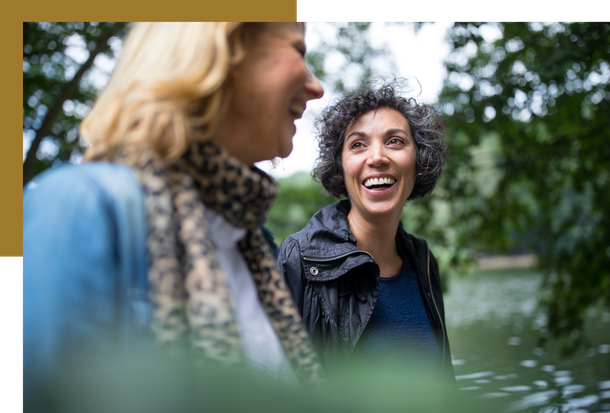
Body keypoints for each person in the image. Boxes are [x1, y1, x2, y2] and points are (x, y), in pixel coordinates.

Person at [22, 22, 325, 410]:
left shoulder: (254, 245)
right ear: (227, 48)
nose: (317, 87)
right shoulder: (82, 205)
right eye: (298, 50)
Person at [276, 81, 455, 382]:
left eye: (395, 141)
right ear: (341, 167)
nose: (377, 157)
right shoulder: (300, 260)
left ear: (419, 161)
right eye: (358, 144)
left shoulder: (424, 262)